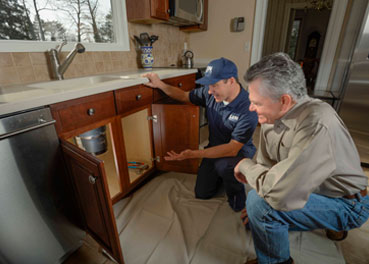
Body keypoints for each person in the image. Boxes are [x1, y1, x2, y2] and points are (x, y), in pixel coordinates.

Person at [234, 52, 369, 264]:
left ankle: (276, 261)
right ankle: (326, 223)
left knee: (259, 206)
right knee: (256, 215)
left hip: (348, 203)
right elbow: (266, 166)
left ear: (284, 100)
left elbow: (280, 195)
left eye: (257, 103)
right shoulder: (272, 115)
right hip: (313, 187)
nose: (251, 108)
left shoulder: (317, 122)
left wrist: (244, 165)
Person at [143, 57, 258, 212]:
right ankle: (220, 175)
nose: (210, 91)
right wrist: (160, 84)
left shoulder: (248, 108)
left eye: (215, 85)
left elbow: (232, 149)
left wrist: (194, 154)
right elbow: (184, 96)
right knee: (202, 193)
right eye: (209, 85)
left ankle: (238, 197)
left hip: (237, 152)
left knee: (225, 167)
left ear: (231, 81)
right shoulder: (209, 94)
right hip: (214, 148)